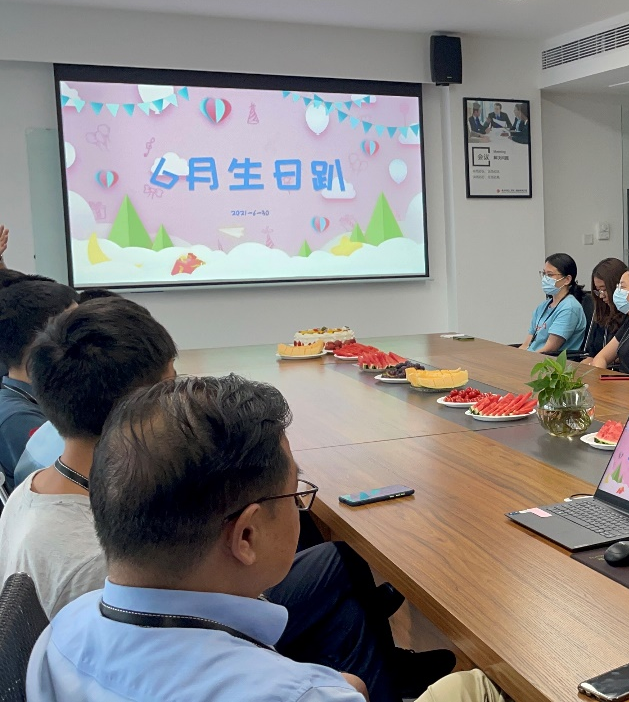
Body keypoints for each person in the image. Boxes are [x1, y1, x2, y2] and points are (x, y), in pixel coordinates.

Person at [0, 299, 450, 701]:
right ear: (142, 408)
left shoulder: (67, 605)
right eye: (172, 387)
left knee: (337, 573)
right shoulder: (88, 567)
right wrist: (321, 687)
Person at [27, 374, 506, 702]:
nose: (299, 504)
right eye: (295, 492)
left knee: (345, 616)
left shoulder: (61, 631)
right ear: (247, 536)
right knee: (479, 686)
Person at [0, 279, 78, 490]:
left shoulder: (37, 398)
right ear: (42, 343)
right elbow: (65, 483)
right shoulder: (17, 417)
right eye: (77, 330)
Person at [519, 253, 587, 355]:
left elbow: (549, 349)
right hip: (531, 357)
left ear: (567, 279)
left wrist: (524, 359)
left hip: (547, 361)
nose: (545, 278)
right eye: (544, 274)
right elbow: (526, 344)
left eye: (550, 275)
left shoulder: (570, 308)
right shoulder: (543, 306)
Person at [581, 257, 628, 360]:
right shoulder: (602, 312)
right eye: (598, 291)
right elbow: (591, 353)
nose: (601, 296)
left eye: (605, 289)